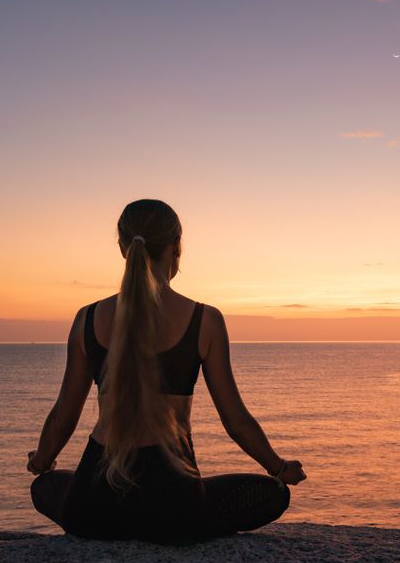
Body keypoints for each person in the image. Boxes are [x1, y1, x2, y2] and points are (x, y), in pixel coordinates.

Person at [28, 198, 306, 544]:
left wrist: (41, 461)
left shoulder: (87, 318)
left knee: (44, 487)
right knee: (272, 494)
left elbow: (63, 417)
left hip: (93, 511)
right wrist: (279, 467)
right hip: (175, 513)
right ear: (177, 248)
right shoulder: (204, 320)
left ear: (122, 248)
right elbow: (236, 421)